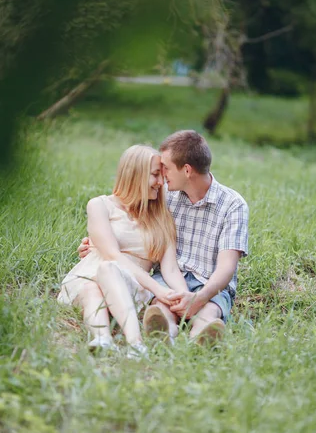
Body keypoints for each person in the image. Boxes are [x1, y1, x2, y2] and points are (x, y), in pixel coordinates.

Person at [79, 131, 249, 343]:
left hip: (210, 283)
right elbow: (128, 216)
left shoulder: (233, 205)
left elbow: (226, 267)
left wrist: (200, 297)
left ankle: (200, 340)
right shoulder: (165, 196)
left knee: (208, 312)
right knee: (161, 308)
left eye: (165, 169)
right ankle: (164, 334)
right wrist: (95, 244)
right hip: (167, 278)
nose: (162, 177)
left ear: (186, 170)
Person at [58, 144, 188, 357]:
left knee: (109, 270)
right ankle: (104, 339)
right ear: (135, 174)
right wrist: (158, 289)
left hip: (132, 284)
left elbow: (171, 268)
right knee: (97, 283)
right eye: (155, 175)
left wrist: (183, 296)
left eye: (162, 176)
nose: (161, 182)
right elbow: (112, 254)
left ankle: (135, 344)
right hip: (91, 274)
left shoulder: (161, 217)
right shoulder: (99, 205)